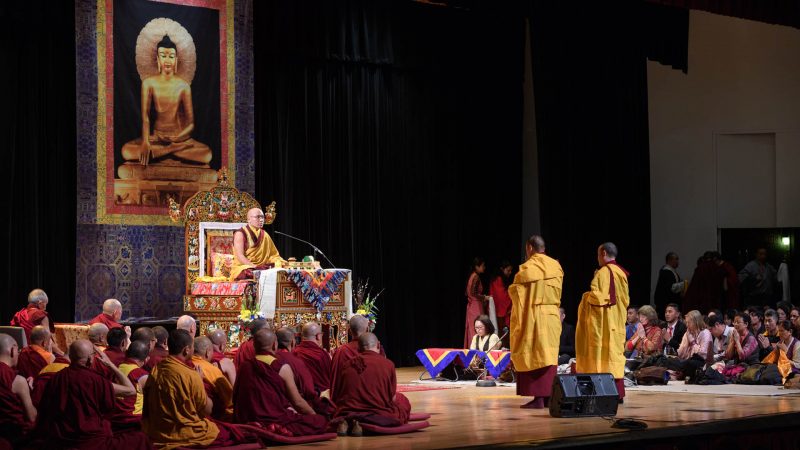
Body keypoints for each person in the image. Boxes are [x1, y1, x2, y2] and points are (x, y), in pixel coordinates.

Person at [142, 329, 267, 449]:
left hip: (157, 430)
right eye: (191, 348)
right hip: (184, 431)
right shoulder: (191, 374)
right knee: (233, 434)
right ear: (186, 350)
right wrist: (200, 382)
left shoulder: (156, 370)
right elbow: (207, 409)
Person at [36, 339, 151, 449]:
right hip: (90, 441)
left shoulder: (56, 378)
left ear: (70, 357)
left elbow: (44, 410)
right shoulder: (95, 380)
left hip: (62, 439)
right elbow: (130, 390)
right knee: (140, 439)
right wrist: (110, 364)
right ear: (90, 359)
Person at [119, 35, 212, 169]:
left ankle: (164, 153)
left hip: (179, 139)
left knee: (206, 154)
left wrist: (177, 138)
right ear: (157, 59)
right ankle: (172, 151)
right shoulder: (148, 83)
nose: (167, 60)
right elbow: (145, 116)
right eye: (163, 55)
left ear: (176, 60)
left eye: (171, 56)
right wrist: (145, 141)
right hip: (157, 138)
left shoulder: (183, 86)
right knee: (127, 151)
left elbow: (191, 124)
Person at [233, 329, 328, 436]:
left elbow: (235, 396)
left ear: (254, 346)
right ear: (274, 345)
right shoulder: (280, 366)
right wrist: (313, 415)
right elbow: (297, 402)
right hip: (274, 420)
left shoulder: (245, 366)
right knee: (320, 421)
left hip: (246, 420)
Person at [509, 235, 563, 409]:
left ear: (530, 248)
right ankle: (548, 397)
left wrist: (512, 289)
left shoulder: (528, 268)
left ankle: (538, 398)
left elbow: (519, 294)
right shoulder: (556, 266)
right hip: (553, 316)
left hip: (535, 316)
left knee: (534, 354)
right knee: (548, 356)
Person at [576, 242, 629, 401]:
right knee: (614, 357)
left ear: (604, 253)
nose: (598, 258)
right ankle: (618, 393)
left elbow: (597, 298)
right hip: (617, 321)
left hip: (604, 325)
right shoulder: (621, 273)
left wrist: (585, 296)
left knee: (602, 357)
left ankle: (604, 392)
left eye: (598, 255)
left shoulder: (604, 272)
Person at [333, 333, 410, 435]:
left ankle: (348, 421)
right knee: (402, 400)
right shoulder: (388, 364)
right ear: (378, 345)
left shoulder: (347, 365)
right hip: (376, 412)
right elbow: (392, 398)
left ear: (358, 348)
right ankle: (361, 423)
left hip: (349, 410)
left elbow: (341, 393)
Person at [276, 327, 334, 416]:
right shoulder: (295, 360)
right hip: (296, 405)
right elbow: (309, 392)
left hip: (274, 404)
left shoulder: (272, 358)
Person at [0, 334, 36, 447]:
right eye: (18, 350)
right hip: (13, 438)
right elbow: (32, 417)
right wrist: (29, 392)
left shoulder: (18, 380)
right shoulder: (18, 381)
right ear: (12, 350)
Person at [229, 207, 285, 280]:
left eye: (262, 217)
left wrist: (277, 262)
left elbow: (273, 255)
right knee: (248, 272)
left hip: (261, 267)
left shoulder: (265, 235)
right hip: (245, 266)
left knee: (279, 268)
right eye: (258, 217)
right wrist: (254, 266)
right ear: (249, 219)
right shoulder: (240, 233)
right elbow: (240, 256)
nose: (261, 220)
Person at [192, 337, 234, 421]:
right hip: (211, 415)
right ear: (207, 352)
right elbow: (230, 399)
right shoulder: (211, 370)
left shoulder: (184, 363)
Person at [112, 341, 150, 431]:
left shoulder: (116, 368)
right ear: (146, 359)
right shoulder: (142, 375)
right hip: (133, 421)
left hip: (114, 419)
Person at [292, 322, 333, 395]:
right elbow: (331, 376)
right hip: (321, 395)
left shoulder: (294, 352)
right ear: (318, 336)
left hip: (301, 396)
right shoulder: (321, 354)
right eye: (321, 334)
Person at [676, 310, 712, 374]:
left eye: (689, 323)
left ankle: (679, 372)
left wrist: (692, 342)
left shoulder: (705, 333)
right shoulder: (688, 334)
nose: (687, 325)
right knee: (667, 360)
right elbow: (680, 354)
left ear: (696, 322)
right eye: (686, 323)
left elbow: (702, 354)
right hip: (687, 361)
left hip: (701, 362)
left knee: (689, 363)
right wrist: (686, 341)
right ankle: (679, 371)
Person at [464, 257, 489, 348]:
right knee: (478, 328)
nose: (484, 267)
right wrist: (484, 297)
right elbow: (473, 293)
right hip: (475, 306)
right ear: (476, 266)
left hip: (472, 306)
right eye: (482, 266)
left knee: (473, 328)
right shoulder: (476, 277)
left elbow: (468, 293)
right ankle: (477, 352)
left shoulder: (472, 276)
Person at [489, 260, 514, 347]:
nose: (510, 273)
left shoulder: (499, 279)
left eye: (511, 270)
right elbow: (501, 296)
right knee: (501, 331)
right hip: (500, 310)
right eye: (508, 270)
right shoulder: (498, 279)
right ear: (502, 269)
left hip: (499, 310)